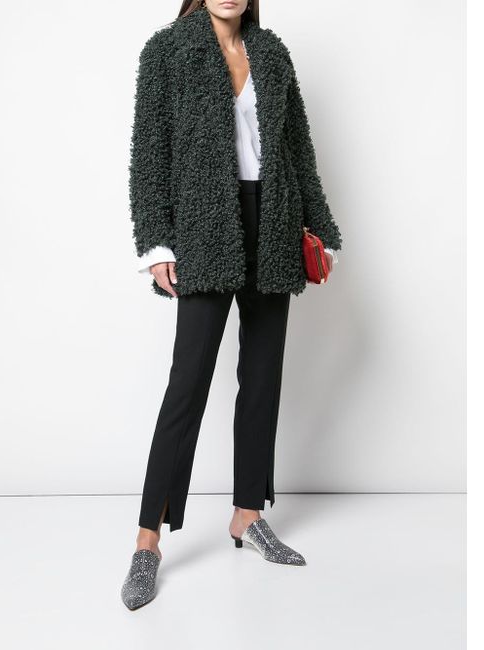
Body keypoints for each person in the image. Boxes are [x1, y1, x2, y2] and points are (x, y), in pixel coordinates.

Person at [121, 0, 343, 610]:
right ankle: (146, 542)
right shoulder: (167, 50)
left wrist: (320, 229)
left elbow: (297, 150)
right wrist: (156, 243)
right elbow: (150, 155)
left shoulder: (271, 53)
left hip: (274, 221)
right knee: (187, 383)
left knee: (263, 376)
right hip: (204, 225)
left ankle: (248, 513)